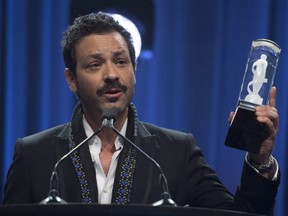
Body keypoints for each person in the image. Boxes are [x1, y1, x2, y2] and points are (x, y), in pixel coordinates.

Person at [2, 12, 280, 215]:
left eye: (121, 62)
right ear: (71, 79)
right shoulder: (34, 155)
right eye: (95, 64)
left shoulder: (177, 152)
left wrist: (260, 160)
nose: (111, 74)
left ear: (135, 71)